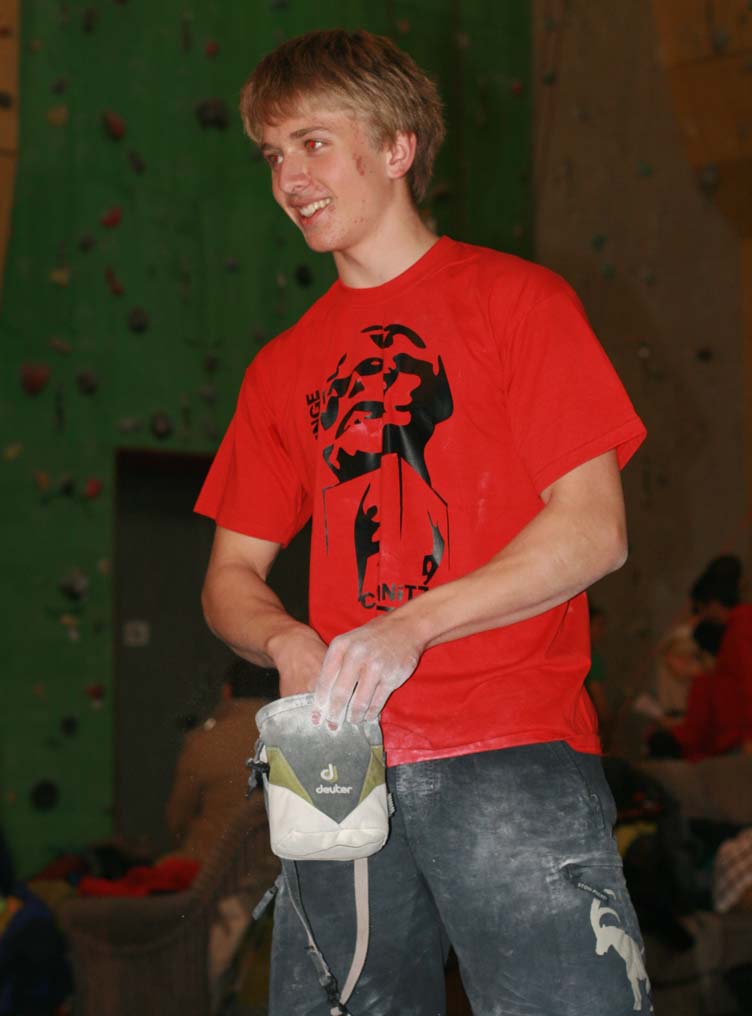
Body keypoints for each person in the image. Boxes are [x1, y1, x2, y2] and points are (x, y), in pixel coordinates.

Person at [195, 29, 649, 1016]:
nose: (289, 178)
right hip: (335, 764)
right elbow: (229, 575)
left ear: (397, 146)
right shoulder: (282, 367)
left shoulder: (518, 301)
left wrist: (411, 625)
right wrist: (284, 639)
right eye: (272, 154)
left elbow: (592, 530)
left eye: (314, 143)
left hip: (508, 747)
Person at [164, 659, 277, 862]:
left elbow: (177, 819)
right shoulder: (294, 740)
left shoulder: (203, 741)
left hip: (209, 865)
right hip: (274, 867)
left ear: (226, 691)